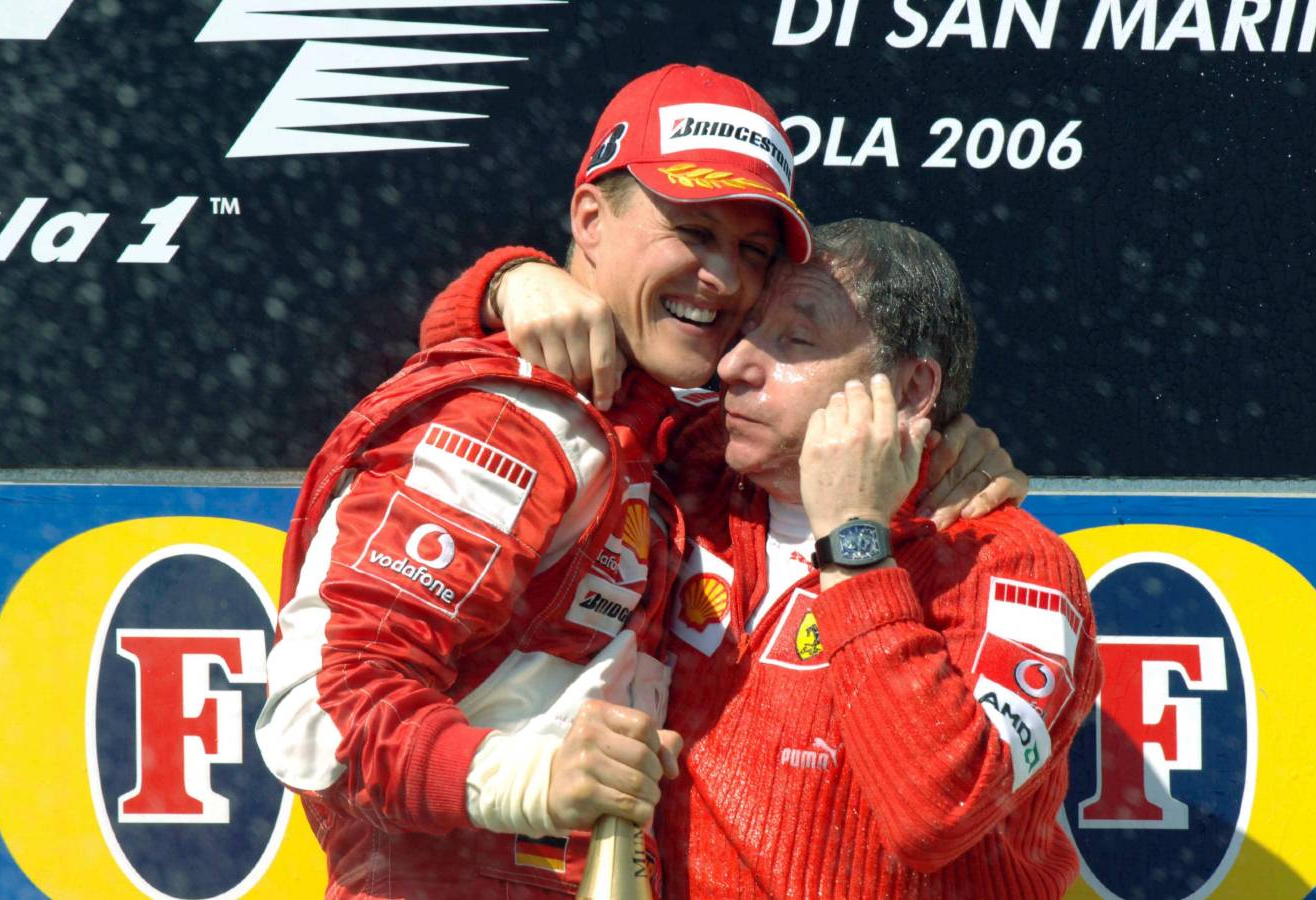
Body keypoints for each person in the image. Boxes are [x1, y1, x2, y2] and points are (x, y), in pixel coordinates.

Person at [257, 64, 1020, 899]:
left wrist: (939, 443)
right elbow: (318, 712)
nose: (724, 280)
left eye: (751, 251)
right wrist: (533, 780)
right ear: (589, 217)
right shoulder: (511, 424)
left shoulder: (661, 437)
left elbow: (820, 452)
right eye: (692, 233)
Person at [459, 219, 1103, 897]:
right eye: (745, 329)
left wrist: (854, 541)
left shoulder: (1011, 567)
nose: (734, 365)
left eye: (794, 341)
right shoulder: (691, 473)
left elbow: (937, 813)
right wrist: (507, 280)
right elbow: (463, 386)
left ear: (914, 390)